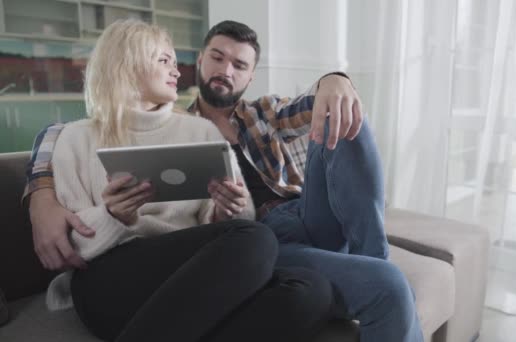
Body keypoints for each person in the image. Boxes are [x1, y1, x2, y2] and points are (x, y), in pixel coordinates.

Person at [26, 20, 423, 342]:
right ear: (200, 61)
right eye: (217, 57)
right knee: (290, 260)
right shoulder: (172, 125)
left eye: (240, 65)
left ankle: (370, 258)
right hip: (255, 239)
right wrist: (39, 192)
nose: (226, 70)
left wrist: (335, 80)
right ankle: (368, 275)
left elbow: (311, 106)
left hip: (295, 216)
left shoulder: (261, 114)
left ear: (251, 78)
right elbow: (65, 135)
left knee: (341, 114)